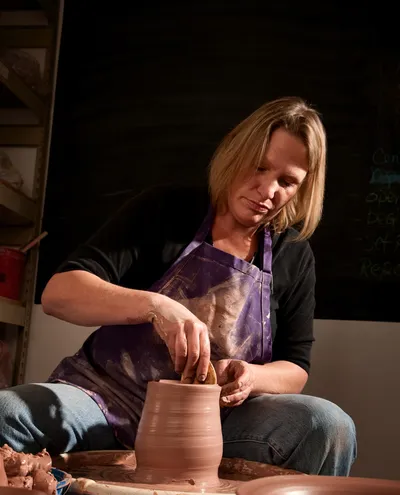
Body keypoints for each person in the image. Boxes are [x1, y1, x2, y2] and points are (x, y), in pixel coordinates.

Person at [0, 96, 356, 475]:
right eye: (259, 167)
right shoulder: (166, 210)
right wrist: (157, 307)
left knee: (329, 426)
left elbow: (295, 367)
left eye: (287, 182)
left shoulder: (293, 254)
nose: (267, 191)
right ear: (235, 151)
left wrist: (251, 375)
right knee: (7, 412)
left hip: (214, 422)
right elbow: (59, 294)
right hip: (104, 400)